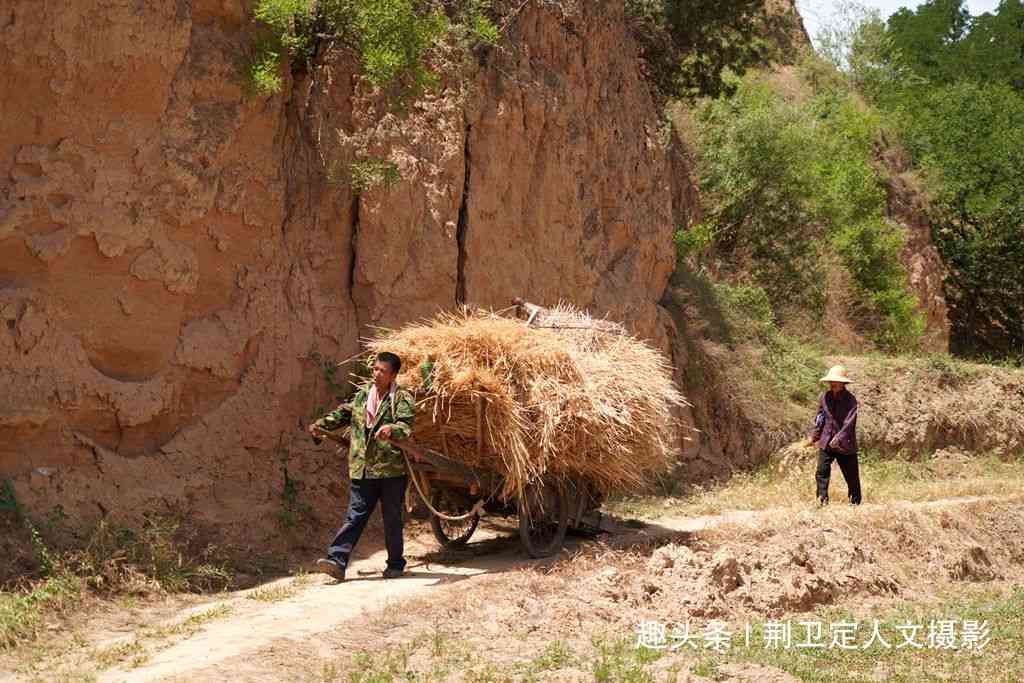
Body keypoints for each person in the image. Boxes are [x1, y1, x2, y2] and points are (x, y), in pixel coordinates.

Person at [308, 351, 415, 581]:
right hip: (363, 468)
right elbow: (343, 414)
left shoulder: (401, 398)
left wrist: (392, 429)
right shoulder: (362, 396)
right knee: (355, 516)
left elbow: (406, 426)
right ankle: (336, 561)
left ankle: (395, 564)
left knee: (392, 518)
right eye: (374, 369)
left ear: (393, 375)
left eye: (382, 371)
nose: (376, 374)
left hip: (390, 470)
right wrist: (321, 425)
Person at [807, 364, 861, 506]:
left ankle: (855, 503)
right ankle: (821, 501)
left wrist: (838, 438)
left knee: (851, 476)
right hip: (826, 442)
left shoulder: (851, 401)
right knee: (821, 472)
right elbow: (820, 418)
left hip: (845, 445)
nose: (833, 384)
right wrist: (814, 437)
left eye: (836, 381)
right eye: (831, 381)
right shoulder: (824, 397)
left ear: (843, 383)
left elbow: (850, 423)